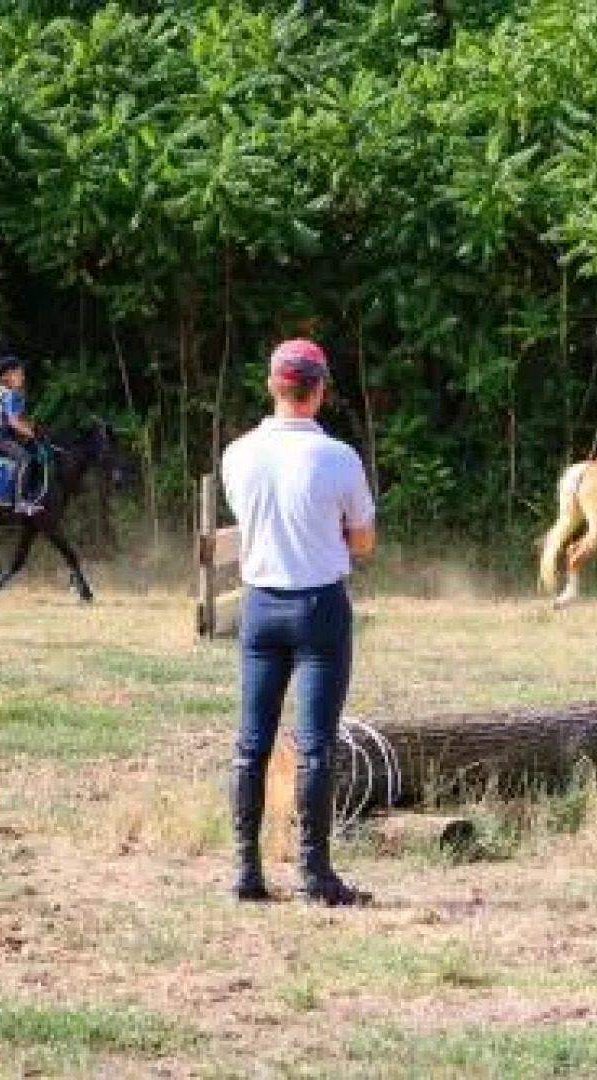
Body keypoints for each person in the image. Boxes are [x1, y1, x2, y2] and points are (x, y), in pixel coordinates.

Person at [221, 338, 377, 906]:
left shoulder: (237, 454)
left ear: (272, 386)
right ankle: (314, 875)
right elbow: (362, 543)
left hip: (260, 606)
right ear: (320, 390)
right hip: (318, 608)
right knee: (315, 747)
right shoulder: (339, 458)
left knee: (251, 743)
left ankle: (245, 871)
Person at [0, 351, 45, 514]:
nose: (23, 375)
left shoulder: (16, 392)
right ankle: (20, 502)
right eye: (19, 372)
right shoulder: (9, 394)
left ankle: (33, 492)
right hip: (0, 437)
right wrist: (31, 432)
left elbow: (20, 420)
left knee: (36, 452)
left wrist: (32, 429)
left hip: (10, 435)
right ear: (8, 375)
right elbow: (14, 422)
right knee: (25, 458)